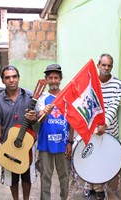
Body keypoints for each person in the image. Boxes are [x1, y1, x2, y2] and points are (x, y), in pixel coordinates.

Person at [0, 65, 38, 200]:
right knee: (12, 179)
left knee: (27, 177)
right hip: (9, 146)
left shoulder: (30, 97)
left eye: (14, 76)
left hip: (27, 145)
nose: (12, 80)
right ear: (3, 80)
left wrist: (34, 117)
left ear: (18, 78)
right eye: (8, 77)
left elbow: (37, 120)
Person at [83, 53, 121, 200]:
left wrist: (104, 124)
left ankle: (99, 189)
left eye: (109, 65)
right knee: (90, 157)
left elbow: (113, 106)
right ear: (98, 65)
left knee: (103, 160)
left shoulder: (117, 84)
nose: (106, 68)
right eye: (103, 65)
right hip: (92, 130)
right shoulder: (90, 82)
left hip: (109, 130)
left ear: (111, 67)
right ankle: (89, 186)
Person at [36, 64, 74, 200]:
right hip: (45, 144)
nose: (53, 81)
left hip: (63, 144)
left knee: (64, 176)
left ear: (60, 79)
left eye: (56, 78)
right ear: (46, 80)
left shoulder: (67, 97)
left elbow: (72, 121)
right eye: (50, 78)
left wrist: (70, 142)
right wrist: (45, 112)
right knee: (45, 176)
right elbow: (39, 118)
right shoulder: (42, 97)